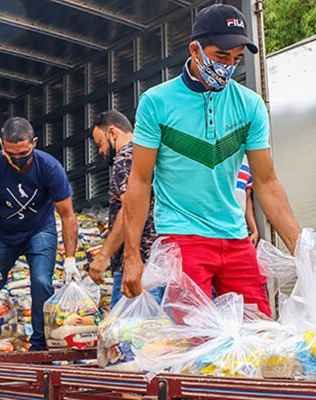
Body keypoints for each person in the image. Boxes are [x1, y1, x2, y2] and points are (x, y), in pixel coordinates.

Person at [121, 4, 300, 317]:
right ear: (195, 49)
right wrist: (132, 255)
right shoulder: (156, 103)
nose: (229, 67)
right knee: (197, 339)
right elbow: (139, 180)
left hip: (235, 238)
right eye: (221, 56)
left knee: (259, 332)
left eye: (236, 60)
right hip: (182, 236)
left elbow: (267, 182)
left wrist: (302, 251)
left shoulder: (249, 105)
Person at [0, 117, 79, 351]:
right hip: (3, 236)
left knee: (41, 282)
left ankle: (39, 344)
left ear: (35, 143)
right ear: (1, 145)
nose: (18, 160)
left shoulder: (49, 168)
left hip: (40, 231)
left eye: (24, 153)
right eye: (11, 154)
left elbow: (68, 215)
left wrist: (70, 260)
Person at [88, 111, 156, 308]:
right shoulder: (149, 154)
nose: (100, 151)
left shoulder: (125, 158)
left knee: (123, 332)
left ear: (112, 132)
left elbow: (129, 209)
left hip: (135, 265)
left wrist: (103, 256)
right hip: (158, 262)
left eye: (99, 143)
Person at [235, 156, 259, 245]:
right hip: (212, 233)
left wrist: (254, 230)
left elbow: (247, 198)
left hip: (240, 231)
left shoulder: (247, 162)